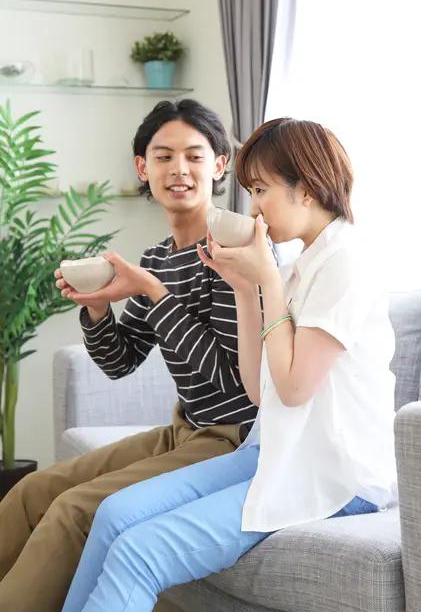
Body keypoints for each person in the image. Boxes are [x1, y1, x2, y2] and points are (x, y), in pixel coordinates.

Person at [61, 116, 397, 612]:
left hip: (336, 474)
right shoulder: (303, 265)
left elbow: (293, 389)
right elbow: (260, 389)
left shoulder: (345, 263)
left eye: (261, 190)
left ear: (306, 189)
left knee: (139, 551)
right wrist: (246, 286)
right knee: (114, 515)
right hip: (278, 452)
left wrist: (267, 282)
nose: (253, 207)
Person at [0, 99, 258, 612]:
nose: (179, 169)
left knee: (74, 510)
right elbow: (120, 362)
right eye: (163, 157)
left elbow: (232, 381)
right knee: (31, 491)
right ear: (142, 167)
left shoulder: (235, 253)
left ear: (219, 165)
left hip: (234, 438)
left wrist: (155, 294)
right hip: (184, 429)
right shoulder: (158, 257)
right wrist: (97, 309)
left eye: (194, 156)